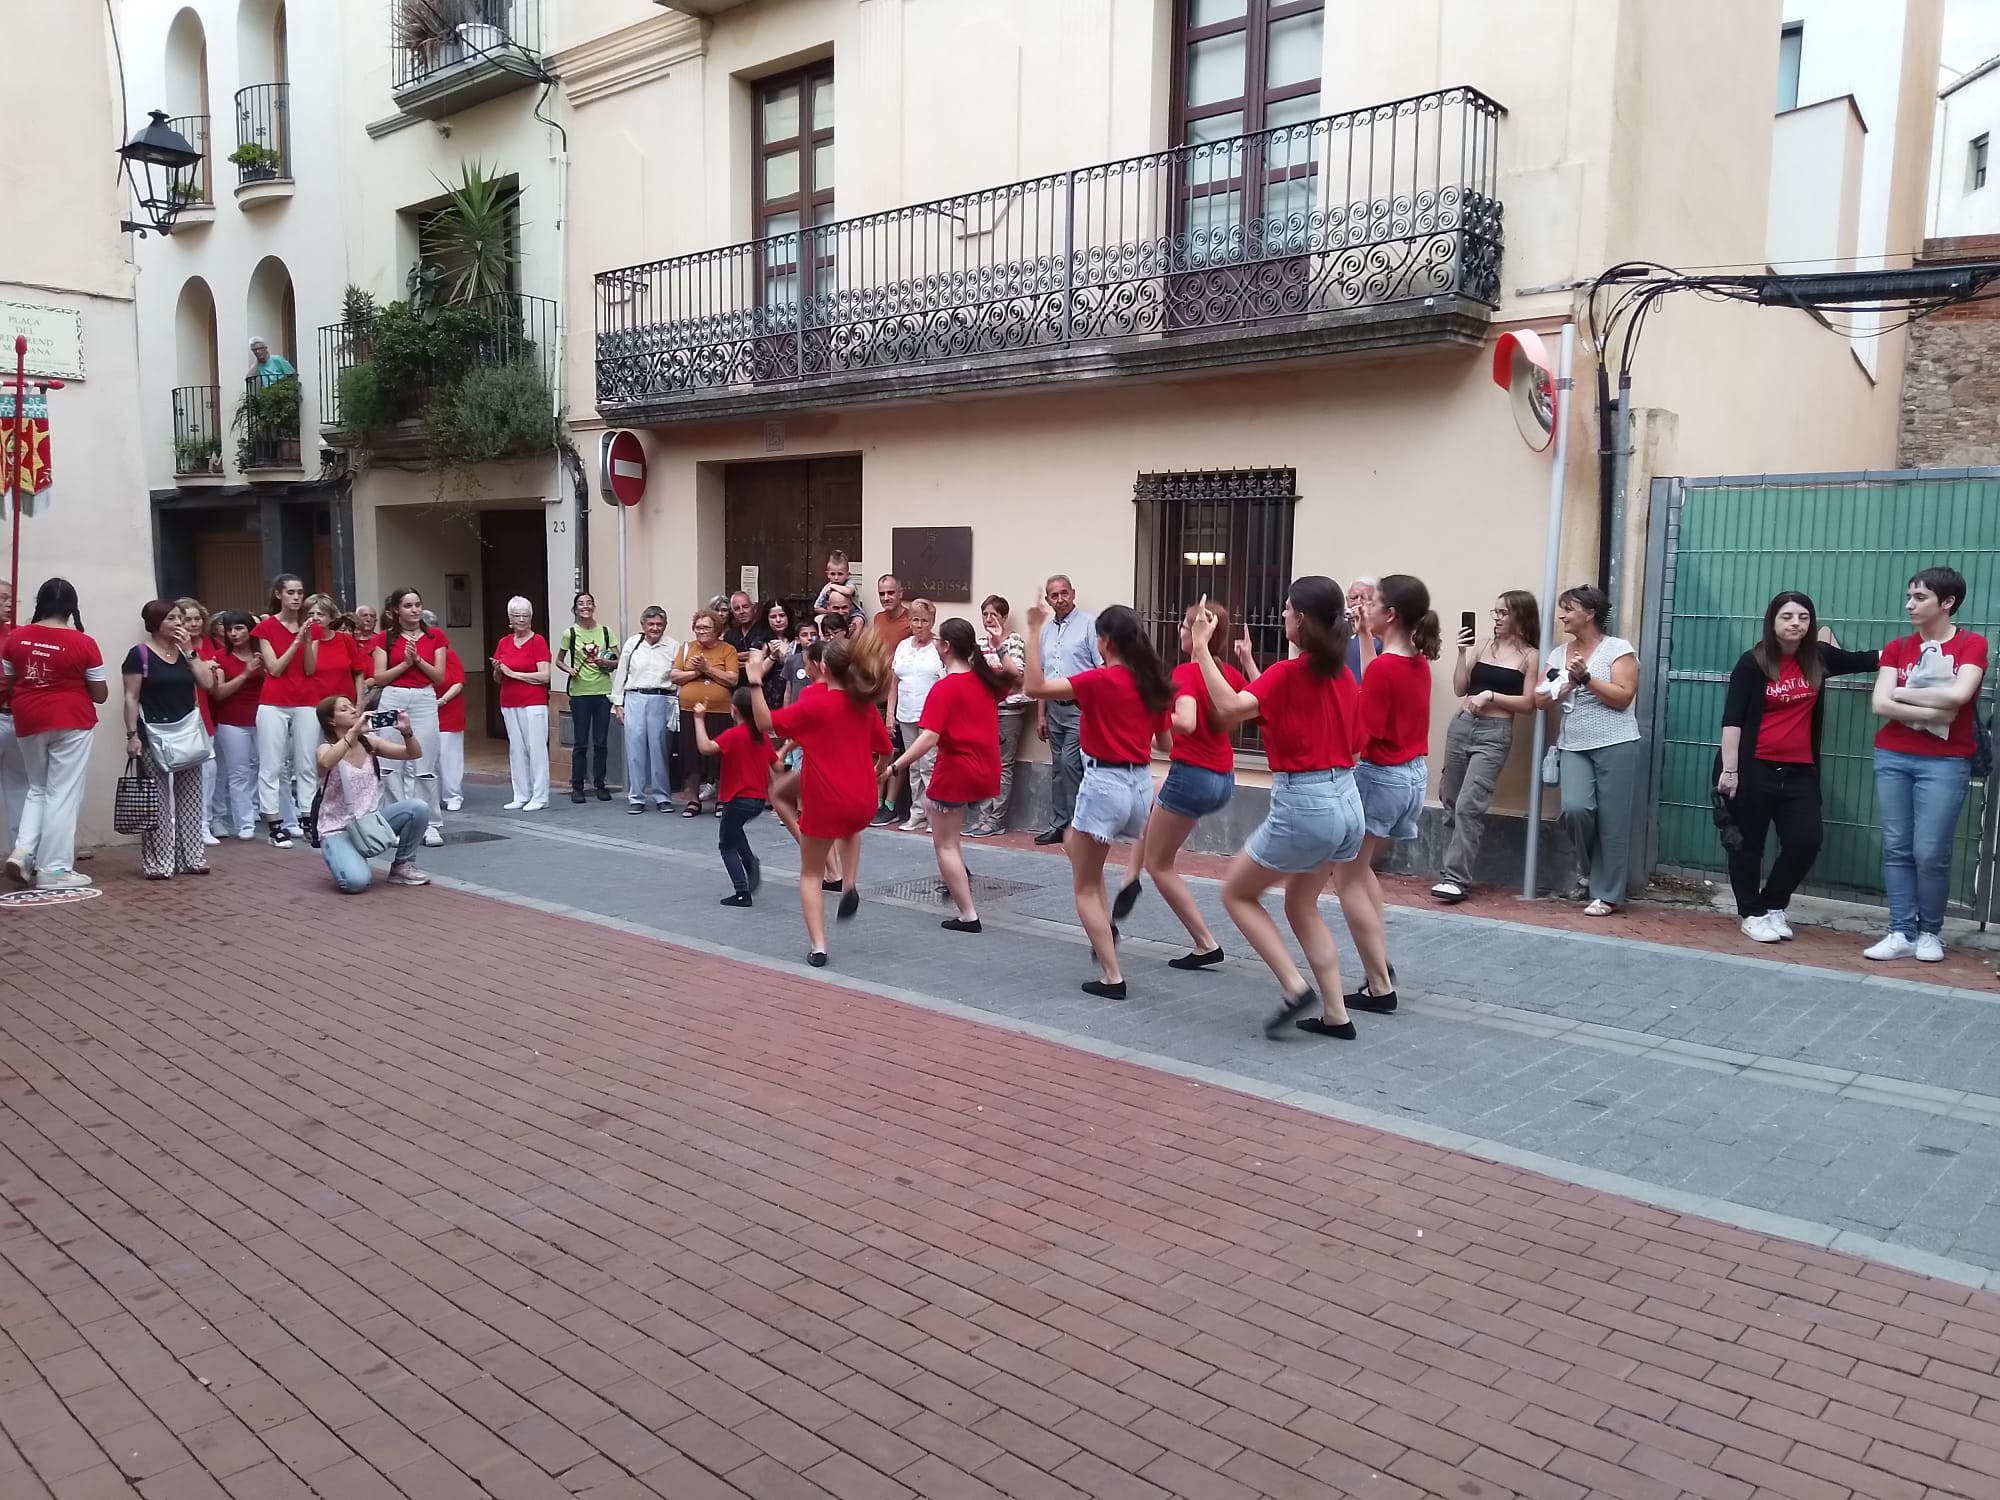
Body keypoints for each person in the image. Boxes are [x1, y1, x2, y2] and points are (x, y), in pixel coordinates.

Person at [1189, 578, 1366, 1039]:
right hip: (1347, 799)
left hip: (1306, 802)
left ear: (1301, 620)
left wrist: (1203, 649)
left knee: (1237, 894)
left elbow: (1227, 708)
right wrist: (1250, 666)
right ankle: (1335, 1013)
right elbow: (1275, 708)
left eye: (1287, 609)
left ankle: (1293, 987)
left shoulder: (1289, 673)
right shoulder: (1341, 674)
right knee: (1301, 902)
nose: (1282, 615)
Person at [1025, 597, 1173, 999]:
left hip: (1104, 783)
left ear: (1105, 641)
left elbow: (1035, 687)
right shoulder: (1151, 682)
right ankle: (1104, 930)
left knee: (1085, 886)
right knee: (1075, 845)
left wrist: (1035, 629)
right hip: (1139, 785)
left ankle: (1111, 975)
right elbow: (1165, 744)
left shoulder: (1098, 680)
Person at [1718, 592, 1879, 944]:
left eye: (1803, 617)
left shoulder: (1818, 658)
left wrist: (1915, 651)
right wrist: (1731, 771)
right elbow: (1732, 721)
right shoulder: (1753, 663)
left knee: (1806, 840)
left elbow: (1869, 659)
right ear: (1772, 622)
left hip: (1799, 770)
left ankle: (1773, 904)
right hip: (1753, 767)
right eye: (1787, 616)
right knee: (1748, 844)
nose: (1796, 623)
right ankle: (1751, 913)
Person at [1114, 601, 1258, 968]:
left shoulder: (1189, 672)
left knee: (1160, 864)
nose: (1178, 631)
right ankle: (1129, 877)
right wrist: (1248, 660)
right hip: (1223, 779)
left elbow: (1186, 721)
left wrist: (1152, 718)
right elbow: (1260, 700)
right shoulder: (1224, 673)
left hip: (1192, 777)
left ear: (1195, 634)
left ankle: (1205, 943)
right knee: (1154, 796)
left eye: (1182, 626)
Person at [748, 631, 894, 967]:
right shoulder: (863, 703)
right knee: (849, 825)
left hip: (826, 800)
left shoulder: (815, 704)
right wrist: (878, 772)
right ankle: (851, 883)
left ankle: (818, 946)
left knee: (811, 874)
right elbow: (885, 751)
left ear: (824, 668)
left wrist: (755, 681)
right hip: (862, 800)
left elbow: (765, 722)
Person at [1866, 566, 1989, 962]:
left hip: (1946, 761)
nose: (1910, 605)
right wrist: (1926, 699)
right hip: (1893, 755)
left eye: (1920, 598)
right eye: (1909, 596)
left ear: (1947, 602)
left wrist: (1902, 695)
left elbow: (1960, 696)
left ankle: (1929, 933)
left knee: (1930, 851)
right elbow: (1879, 704)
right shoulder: (1898, 646)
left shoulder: (1972, 645)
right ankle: (1900, 930)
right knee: (1897, 847)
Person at [1339, 574, 1441, 1012]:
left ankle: (1379, 984)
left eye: (1373, 603)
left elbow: (1362, 731)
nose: (1366, 608)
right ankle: (1379, 967)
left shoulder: (1386, 667)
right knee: (1362, 873)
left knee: (1345, 878)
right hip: (1410, 776)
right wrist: (1364, 635)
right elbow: (1373, 678)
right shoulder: (1415, 660)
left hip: (1381, 777)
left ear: (1391, 614)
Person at [888, 617, 1005, 932]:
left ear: (946, 647)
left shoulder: (944, 688)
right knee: (945, 831)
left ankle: (968, 914)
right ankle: (961, 876)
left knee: (946, 844)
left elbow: (928, 737)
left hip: (955, 771)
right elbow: (1016, 679)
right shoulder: (986, 679)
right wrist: (999, 644)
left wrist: (895, 766)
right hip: (986, 768)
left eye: (939, 640)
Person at [1537, 584, 1642, 916]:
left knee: (1613, 820)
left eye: (1568, 609)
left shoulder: (1617, 649)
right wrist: (1561, 686)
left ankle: (1606, 894)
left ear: (1590, 613)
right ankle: (1590, 868)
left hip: (1616, 741)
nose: (1562, 615)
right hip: (1573, 743)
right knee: (1575, 809)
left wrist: (1585, 680)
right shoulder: (1558, 654)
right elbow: (1539, 699)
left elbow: (1624, 697)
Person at [1433, 590, 1542, 903]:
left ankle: (1455, 879)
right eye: (1494, 613)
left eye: (1503, 613)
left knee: (1470, 802)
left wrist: (1491, 695)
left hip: (1494, 732)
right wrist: (1461, 653)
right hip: (1463, 725)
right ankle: (1447, 871)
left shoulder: (1530, 656)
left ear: (1520, 616)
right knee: (1451, 798)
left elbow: (1528, 703)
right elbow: (1459, 688)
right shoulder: (1481, 645)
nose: (1496, 619)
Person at [1, 579, 107, 890]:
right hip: (72, 718)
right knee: (63, 793)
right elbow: (99, 694)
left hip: (28, 717)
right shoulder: (83, 642)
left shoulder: (16, 638)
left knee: (37, 788)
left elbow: (11, 682)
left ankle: (23, 852)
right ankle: (55, 869)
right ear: (73, 607)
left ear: (39, 603)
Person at [123, 599, 218, 880]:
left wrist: (189, 651)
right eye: (172, 619)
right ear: (156, 624)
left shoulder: (185, 652)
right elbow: (130, 697)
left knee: (190, 796)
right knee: (159, 798)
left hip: (186, 730)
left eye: (180, 617)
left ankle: (192, 857)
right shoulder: (139, 654)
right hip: (153, 732)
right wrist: (131, 735)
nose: (179, 623)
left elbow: (207, 683)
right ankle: (160, 860)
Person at [312, 696, 431, 892]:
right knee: (355, 883)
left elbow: (412, 754)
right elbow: (325, 763)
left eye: (352, 706)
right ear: (331, 721)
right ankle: (346, 855)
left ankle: (402, 866)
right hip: (337, 830)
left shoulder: (368, 741)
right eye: (344, 709)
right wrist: (353, 731)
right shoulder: (326, 748)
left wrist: (407, 733)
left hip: (371, 822)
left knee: (418, 808)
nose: (352, 710)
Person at [367, 589, 450, 845]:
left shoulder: (435, 635)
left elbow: (439, 677)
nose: (414, 610)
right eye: (407, 605)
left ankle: (430, 824)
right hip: (392, 697)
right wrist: (404, 664)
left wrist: (417, 661)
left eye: (417, 604)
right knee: (390, 762)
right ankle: (394, 821)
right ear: (395, 611)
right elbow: (378, 678)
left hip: (424, 698)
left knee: (425, 763)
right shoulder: (383, 638)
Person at [1034, 574, 1102, 844]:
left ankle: (1079, 827)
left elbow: (1101, 668)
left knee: (1071, 763)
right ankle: (1061, 825)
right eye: (1054, 595)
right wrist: (1041, 714)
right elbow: (1042, 674)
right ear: (1048, 600)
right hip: (1054, 709)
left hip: (1080, 708)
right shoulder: (1047, 631)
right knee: (1058, 769)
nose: (1060, 599)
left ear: (1073, 593)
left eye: (1064, 593)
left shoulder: (1090, 625)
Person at [694, 686, 777, 906]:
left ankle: (742, 892)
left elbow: (705, 747)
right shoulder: (762, 736)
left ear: (734, 710)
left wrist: (699, 719)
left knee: (726, 844)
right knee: (735, 830)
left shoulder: (734, 735)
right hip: (757, 801)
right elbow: (776, 764)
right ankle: (750, 863)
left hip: (736, 799)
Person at [252, 574, 316, 848]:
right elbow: (275, 668)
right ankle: (275, 824)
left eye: (300, 592)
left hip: (305, 699)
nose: (296, 597)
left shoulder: (308, 626)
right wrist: (295, 642)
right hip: (274, 701)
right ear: (279, 594)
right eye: (290, 592)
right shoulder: (266, 626)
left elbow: (311, 668)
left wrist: (306, 640)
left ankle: (307, 819)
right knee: (272, 764)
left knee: (307, 763)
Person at [967, 595, 1028, 838]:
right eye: (985, 614)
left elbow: (1017, 678)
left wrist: (997, 677)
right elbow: (976, 678)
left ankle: (997, 818)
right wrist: (998, 675)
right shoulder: (980, 644)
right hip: (985, 711)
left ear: (1004, 617)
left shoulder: (1014, 642)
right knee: (984, 764)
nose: (989, 619)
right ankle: (983, 816)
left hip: (1009, 712)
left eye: (994, 614)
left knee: (1004, 765)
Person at [610, 605, 681, 813]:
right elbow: (621, 673)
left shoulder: (674, 646)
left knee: (659, 749)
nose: (655, 628)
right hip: (635, 697)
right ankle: (637, 797)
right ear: (643, 625)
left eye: (659, 624)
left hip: (661, 699)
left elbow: (677, 677)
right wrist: (618, 704)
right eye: (651, 624)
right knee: (635, 749)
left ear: (665, 625)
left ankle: (662, 796)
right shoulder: (633, 644)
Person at [885, 600, 946, 831]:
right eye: (915, 619)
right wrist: (890, 714)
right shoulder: (902, 646)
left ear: (932, 623)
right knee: (912, 765)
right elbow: (894, 682)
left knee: (929, 765)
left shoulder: (939, 647)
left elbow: (946, 682)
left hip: (931, 716)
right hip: (906, 714)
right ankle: (917, 812)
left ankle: (934, 814)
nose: (919, 625)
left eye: (924, 620)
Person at [672, 610, 739, 816]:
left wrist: (707, 668)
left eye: (706, 628)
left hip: (719, 712)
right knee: (691, 755)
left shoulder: (727, 650)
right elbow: (674, 675)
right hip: (689, 711)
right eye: (698, 628)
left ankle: (721, 799)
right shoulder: (686, 648)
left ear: (717, 630)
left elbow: (732, 680)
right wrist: (697, 672)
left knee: (719, 757)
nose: (701, 632)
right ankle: (693, 800)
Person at [555, 592, 617, 804]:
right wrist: (569, 670)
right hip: (580, 692)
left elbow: (618, 661)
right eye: (581, 604)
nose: (585, 607)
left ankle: (600, 784)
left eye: (589, 603)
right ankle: (577, 786)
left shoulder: (606, 632)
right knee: (580, 742)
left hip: (602, 691)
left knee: (601, 741)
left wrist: (605, 663)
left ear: (594, 606)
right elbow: (559, 660)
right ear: (575, 609)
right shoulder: (570, 633)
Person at [208, 610, 265, 840]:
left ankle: (278, 817)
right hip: (232, 720)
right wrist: (245, 673)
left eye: (239, 628)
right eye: (229, 629)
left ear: (250, 629)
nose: (233, 633)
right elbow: (218, 693)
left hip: (262, 717)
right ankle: (245, 823)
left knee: (269, 768)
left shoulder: (263, 653)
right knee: (238, 772)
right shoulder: (220, 657)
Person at [492, 597, 553, 812]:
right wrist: (499, 670)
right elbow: (499, 678)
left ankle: (540, 795)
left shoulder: (537, 641)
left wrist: (514, 673)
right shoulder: (504, 642)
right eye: (516, 616)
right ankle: (521, 793)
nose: (521, 620)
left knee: (535, 748)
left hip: (533, 702)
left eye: (525, 616)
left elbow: (545, 676)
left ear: (531, 618)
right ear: (509, 619)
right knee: (516, 749)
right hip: (509, 701)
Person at [176, 597, 222, 847]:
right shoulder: (173, 645)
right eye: (187, 619)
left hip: (203, 710)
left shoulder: (207, 643)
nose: (193, 624)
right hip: (180, 713)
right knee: (179, 771)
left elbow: (212, 682)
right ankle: (180, 825)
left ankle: (204, 822)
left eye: (197, 619)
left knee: (208, 770)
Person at [0, 579, 25, 856]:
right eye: (4, 599)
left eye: (11, 600)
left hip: (15, 716)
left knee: (20, 787)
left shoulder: (17, 636)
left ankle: (22, 852)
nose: (9, 605)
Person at [435, 632, 467, 811]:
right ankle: (434, 795)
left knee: (449, 755)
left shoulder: (449, 655)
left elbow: (458, 682)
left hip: (449, 711)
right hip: (424, 712)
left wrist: (442, 700)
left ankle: (453, 795)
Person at [813, 550, 865, 626]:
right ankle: (824, 637)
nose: (836, 578)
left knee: (858, 621)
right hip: (833, 613)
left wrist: (832, 586)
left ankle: (853, 637)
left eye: (840, 574)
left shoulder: (849, 583)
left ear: (848, 574)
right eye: (832, 574)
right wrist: (831, 612)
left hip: (852, 614)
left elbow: (849, 592)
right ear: (827, 574)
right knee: (818, 619)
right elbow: (817, 607)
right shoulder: (826, 587)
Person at [1346, 576, 1382, 678]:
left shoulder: (1381, 636)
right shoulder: (1338, 631)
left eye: (1365, 599)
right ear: (1347, 600)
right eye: (1354, 598)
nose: (1359, 603)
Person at [868, 575, 913, 650]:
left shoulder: (912, 620)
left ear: (900, 593)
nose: (886, 598)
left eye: (890, 593)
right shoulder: (878, 618)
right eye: (882, 594)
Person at [720, 591, 769, 656]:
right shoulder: (729, 636)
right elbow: (725, 658)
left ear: (754, 608)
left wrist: (735, 656)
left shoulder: (766, 630)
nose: (741, 611)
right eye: (737, 608)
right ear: (732, 612)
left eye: (745, 607)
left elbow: (766, 654)